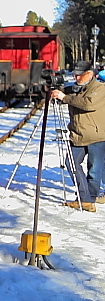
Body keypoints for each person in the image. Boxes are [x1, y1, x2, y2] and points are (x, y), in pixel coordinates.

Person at [50, 60, 105, 211]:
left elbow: (88, 104)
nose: (76, 79)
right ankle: (85, 197)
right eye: (74, 75)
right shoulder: (77, 89)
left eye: (79, 76)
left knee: (94, 170)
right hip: (78, 135)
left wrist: (64, 98)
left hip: (96, 135)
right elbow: (71, 96)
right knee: (71, 163)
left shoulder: (100, 89)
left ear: (89, 74)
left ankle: (89, 200)